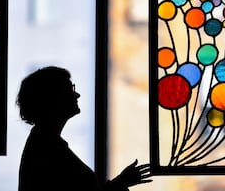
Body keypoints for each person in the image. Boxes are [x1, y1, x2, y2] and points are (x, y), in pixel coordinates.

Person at [16, 66, 152, 191]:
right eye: (70, 90)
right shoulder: (46, 149)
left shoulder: (44, 143)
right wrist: (121, 182)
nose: (77, 95)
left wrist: (120, 182)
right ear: (53, 99)